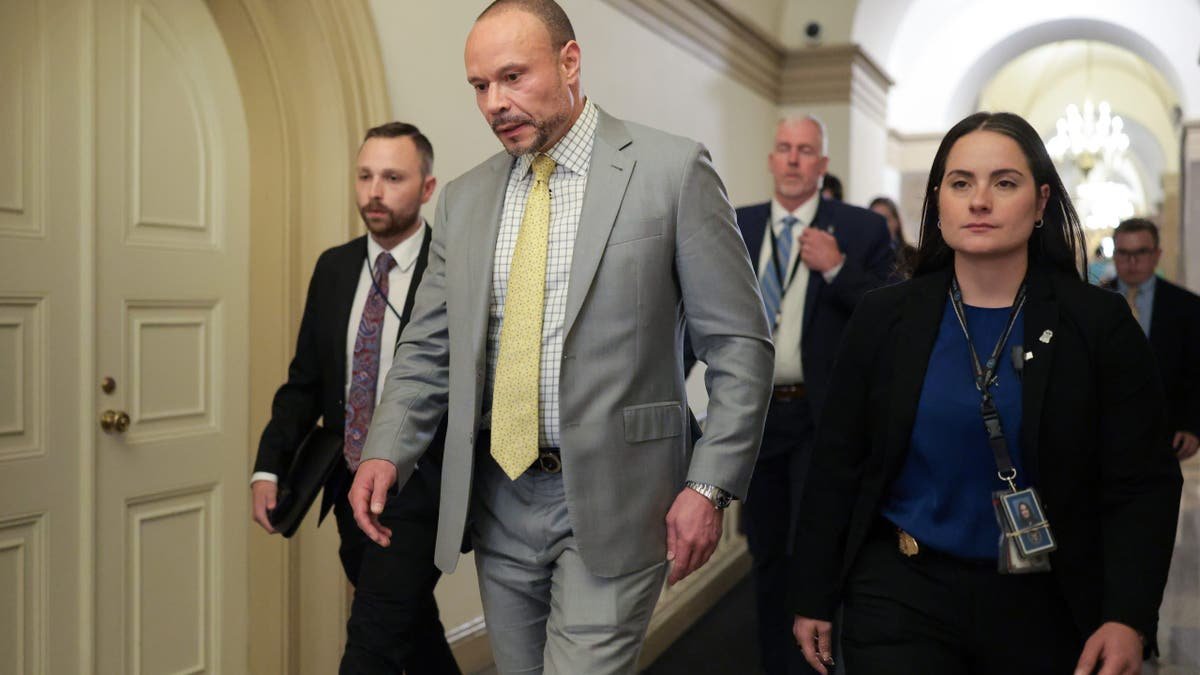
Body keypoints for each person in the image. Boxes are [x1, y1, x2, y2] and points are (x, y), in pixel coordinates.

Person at [349, 1, 774, 673]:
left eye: (513, 76)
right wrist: (385, 448)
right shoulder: (463, 199)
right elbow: (429, 348)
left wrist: (710, 484)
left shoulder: (672, 172)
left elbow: (740, 346)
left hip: (620, 494)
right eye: (480, 86)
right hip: (499, 497)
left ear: (570, 62)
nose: (495, 102)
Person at [790, 112, 1183, 675]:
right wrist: (813, 593)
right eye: (960, 183)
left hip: (1047, 600)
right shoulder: (885, 317)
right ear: (938, 201)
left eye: (1004, 182)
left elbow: (1142, 481)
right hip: (902, 591)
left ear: (1041, 200)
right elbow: (837, 462)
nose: (979, 201)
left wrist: (1128, 616)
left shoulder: (1096, 323)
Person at [251, 122, 461, 674]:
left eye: (393, 177)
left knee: (370, 644)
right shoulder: (335, 267)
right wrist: (268, 468)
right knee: (410, 630)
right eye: (365, 176)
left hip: (421, 488)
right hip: (348, 486)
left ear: (427, 187)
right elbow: (304, 382)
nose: (374, 191)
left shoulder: (455, 270)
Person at [730, 116, 891, 675]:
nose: (794, 160)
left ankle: (822, 665)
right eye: (784, 149)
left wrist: (838, 268)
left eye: (806, 151)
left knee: (817, 553)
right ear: (771, 160)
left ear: (822, 165)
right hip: (757, 419)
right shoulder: (737, 225)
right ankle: (778, 665)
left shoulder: (861, 229)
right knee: (767, 552)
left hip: (823, 417)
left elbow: (890, 315)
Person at [1105, 217, 1200, 461]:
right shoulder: (1093, 301)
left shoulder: (1186, 305)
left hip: (1165, 432)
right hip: (1103, 431)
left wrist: (1192, 426)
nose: (1132, 262)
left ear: (1157, 255)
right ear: (1114, 255)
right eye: (1123, 253)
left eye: (1141, 252)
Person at [870, 195, 917, 276]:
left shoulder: (913, 256)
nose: (879, 225)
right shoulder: (862, 258)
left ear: (896, 222)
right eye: (874, 220)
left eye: (885, 219)